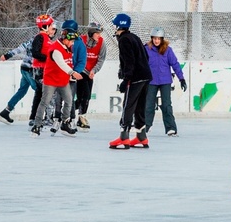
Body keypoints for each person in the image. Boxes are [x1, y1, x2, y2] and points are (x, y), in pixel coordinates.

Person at [31, 20, 83, 137]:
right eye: (71, 41)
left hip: (62, 79)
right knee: (45, 101)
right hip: (51, 80)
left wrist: (71, 75)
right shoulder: (55, 48)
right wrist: (72, 73)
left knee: (69, 101)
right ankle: (37, 125)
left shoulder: (68, 47)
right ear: (65, 39)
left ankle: (64, 123)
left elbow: (68, 63)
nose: (72, 43)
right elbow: (61, 63)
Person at [108, 13, 151, 149]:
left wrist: (126, 78)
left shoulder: (124, 40)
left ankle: (124, 136)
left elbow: (130, 61)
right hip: (145, 76)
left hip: (136, 77)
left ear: (119, 25)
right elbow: (145, 57)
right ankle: (141, 136)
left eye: (115, 25)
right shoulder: (134, 37)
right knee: (139, 105)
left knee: (128, 105)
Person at [144, 26, 186, 136]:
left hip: (165, 81)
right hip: (151, 81)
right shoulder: (146, 49)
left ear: (162, 39)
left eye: (159, 39)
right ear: (152, 38)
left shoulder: (168, 50)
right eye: (155, 38)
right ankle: (146, 126)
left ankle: (170, 128)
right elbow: (141, 63)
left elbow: (175, 64)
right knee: (148, 105)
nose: (156, 41)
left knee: (167, 105)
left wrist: (181, 79)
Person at [0, 32, 39, 125]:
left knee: (22, 91)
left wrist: (7, 55)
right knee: (40, 91)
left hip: (24, 68)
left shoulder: (32, 39)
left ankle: (6, 111)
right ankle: (36, 117)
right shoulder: (39, 40)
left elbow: (21, 48)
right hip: (30, 69)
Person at [75, 21, 107, 131]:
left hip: (90, 72)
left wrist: (94, 70)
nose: (99, 35)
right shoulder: (81, 40)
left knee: (83, 98)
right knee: (85, 95)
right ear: (91, 32)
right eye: (97, 33)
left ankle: (77, 118)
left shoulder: (102, 43)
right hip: (80, 71)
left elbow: (101, 59)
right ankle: (79, 117)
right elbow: (76, 55)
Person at [27, 14, 57, 127]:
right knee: (46, 94)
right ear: (45, 26)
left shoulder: (47, 38)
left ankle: (34, 117)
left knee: (40, 94)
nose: (52, 28)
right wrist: (48, 58)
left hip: (45, 69)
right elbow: (35, 53)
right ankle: (46, 118)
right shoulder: (40, 37)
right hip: (40, 69)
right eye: (51, 26)